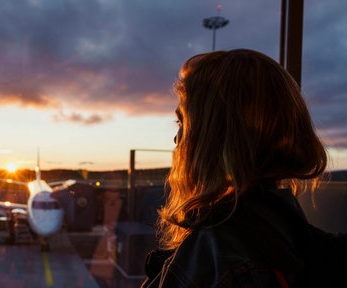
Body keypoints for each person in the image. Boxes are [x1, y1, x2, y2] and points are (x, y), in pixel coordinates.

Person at [142, 49, 347, 287]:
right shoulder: (296, 238)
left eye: (183, 122)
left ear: (214, 138)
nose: (177, 139)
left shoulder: (214, 257)